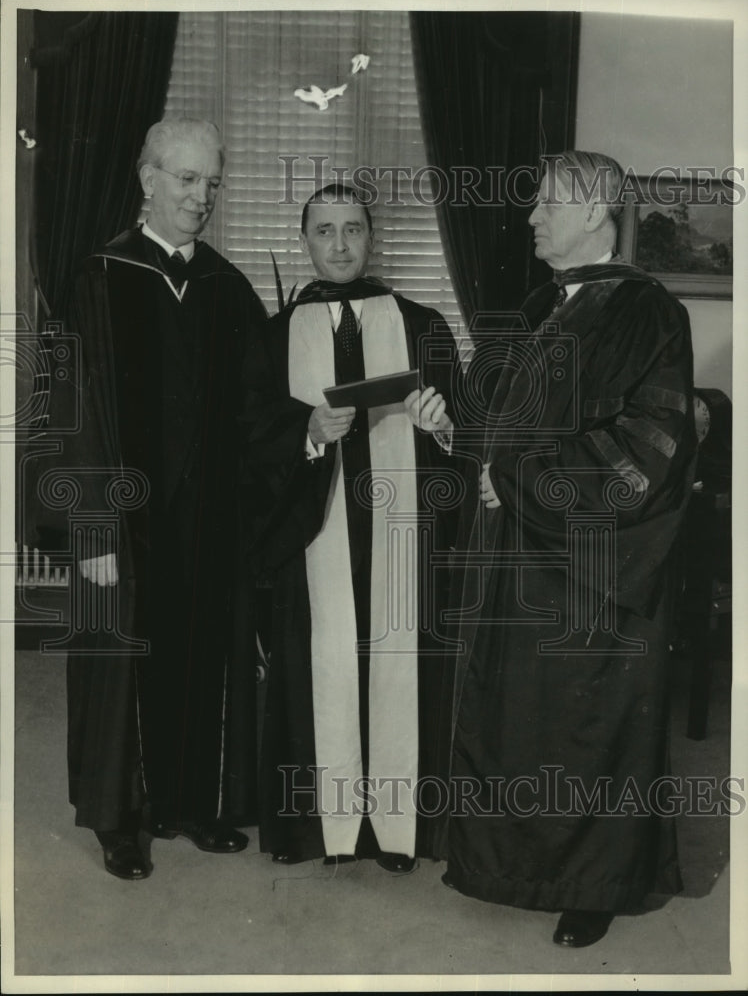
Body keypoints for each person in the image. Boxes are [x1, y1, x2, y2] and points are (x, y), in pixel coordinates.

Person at [445, 150, 697, 946]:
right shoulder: (538, 306)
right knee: (526, 719)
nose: (529, 217)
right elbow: (503, 427)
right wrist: (451, 424)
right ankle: (521, 867)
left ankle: (599, 884)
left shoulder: (648, 312)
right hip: (524, 553)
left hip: (596, 564)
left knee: (591, 728)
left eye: (546, 203)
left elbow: (646, 446)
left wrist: (518, 478)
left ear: (595, 212)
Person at [40, 118, 267, 879]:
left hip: (206, 524)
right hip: (123, 522)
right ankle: (121, 819)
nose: (200, 196)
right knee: (122, 658)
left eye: (211, 182)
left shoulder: (227, 288)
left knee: (198, 656)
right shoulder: (97, 276)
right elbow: (74, 405)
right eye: (185, 179)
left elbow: (257, 410)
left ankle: (187, 801)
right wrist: (93, 523)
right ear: (147, 180)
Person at [240, 183, 460, 872]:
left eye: (353, 228)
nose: (339, 244)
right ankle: (319, 829)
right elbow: (247, 437)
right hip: (312, 528)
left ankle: (395, 831)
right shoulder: (273, 338)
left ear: (374, 238)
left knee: (397, 664)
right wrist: (304, 431)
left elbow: (470, 429)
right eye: (325, 230)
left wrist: (443, 426)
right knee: (319, 662)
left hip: (398, 535)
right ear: (305, 240)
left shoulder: (423, 325)